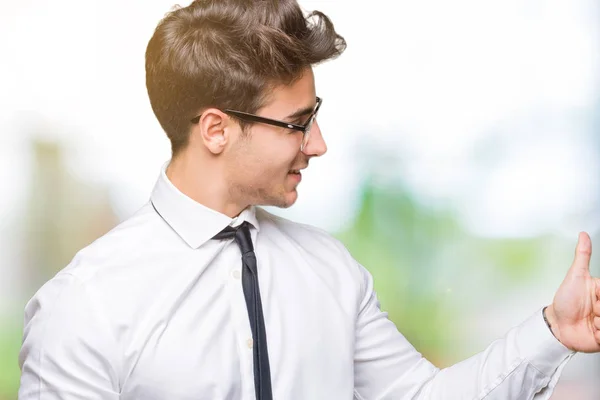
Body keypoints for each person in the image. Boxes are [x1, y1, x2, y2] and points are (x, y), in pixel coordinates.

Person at [17, 0, 600, 399]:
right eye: (297, 123)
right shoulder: (84, 305)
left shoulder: (330, 271)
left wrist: (551, 331)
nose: (318, 145)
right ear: (217, 130)